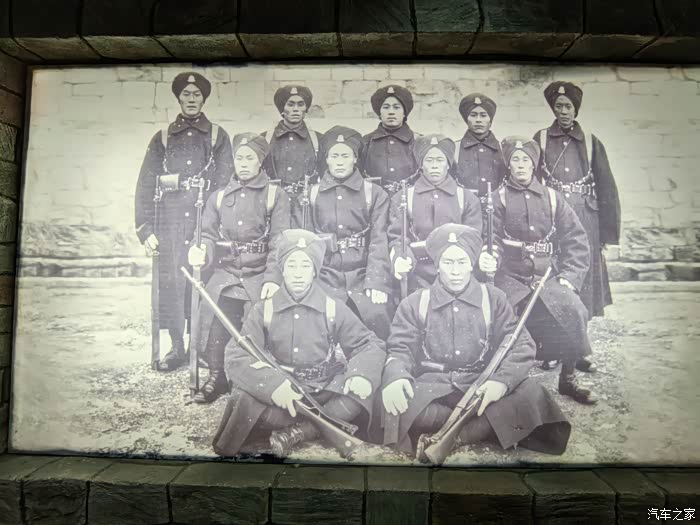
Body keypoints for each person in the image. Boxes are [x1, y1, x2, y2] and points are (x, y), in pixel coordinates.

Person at [380, 223, 571, 457]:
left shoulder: (493, 298)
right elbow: (400, 348)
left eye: (462, 262)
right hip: (433, 387)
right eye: (448, 263)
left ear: (472, 263)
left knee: (532, 392)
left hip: (480, 385)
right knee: (392, 401)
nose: (455, 271)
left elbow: (522, 344)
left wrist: (500, 383)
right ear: (437, 265)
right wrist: (396, 377)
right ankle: (485, 427)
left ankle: (457, 437)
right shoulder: (415, 302)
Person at [212, 229, 386, 457]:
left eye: (305, 266)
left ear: (314, 270)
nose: (297, 273)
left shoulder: (332, 307)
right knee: (242, 398)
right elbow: (236, 355)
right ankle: (316, 427)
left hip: (322, 390)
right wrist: (273, 386)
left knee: (363, 391)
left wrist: (360, 374)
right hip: (284, 395)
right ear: (282, 269)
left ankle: (299, 432)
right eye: (291, 265)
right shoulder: (264, 309)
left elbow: (369, 343)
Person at [479, 136, 598, 405]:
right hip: (510, 277)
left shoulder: (552, 198)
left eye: (526, 160)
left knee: (573, 310)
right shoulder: (496, 199)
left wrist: (569, 277)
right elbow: (490, 239)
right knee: (501, 317)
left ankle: (568, 379)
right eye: (515, 160)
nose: (521, 165)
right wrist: (491, 257)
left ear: (534, 164)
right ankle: (505, 381)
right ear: (508, 165)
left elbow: (577, 241)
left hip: (548, 275)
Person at [134, 71, 233, 371]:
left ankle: (198, 348)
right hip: (170, 223)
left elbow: (225, 183)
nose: (191, 99)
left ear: (203, 99)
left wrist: (217, 225)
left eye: (196, 95)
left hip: (204, 222)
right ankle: (177, 348)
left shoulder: (217, 136)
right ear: (178, 99)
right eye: (186, 95)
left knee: (202, 281)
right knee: (173, 284)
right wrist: (145, 229)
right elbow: (145, 183)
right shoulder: (163, 138)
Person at [187, 132, 290, 404]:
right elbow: (206, 233)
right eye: (239, 158)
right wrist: (201, 250)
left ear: (260, 161)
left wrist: (273, 278)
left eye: (249, 158)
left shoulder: (275, 195)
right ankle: (217, 376)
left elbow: (279, 241)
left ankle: (251, 380)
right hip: (227, 273)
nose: (243, 163)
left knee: (256, 322)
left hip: (259, 274)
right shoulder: (219, 197)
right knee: (213, 310)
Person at [534, 81, 621, 330]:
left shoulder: (591, 142)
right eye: (558, 106)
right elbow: (533, 181)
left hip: (586, 218)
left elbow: (607, 188)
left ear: (576, 109)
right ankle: (555, 334)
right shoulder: (541, 139)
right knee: (555, 270)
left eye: (568, 106)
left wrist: (607, 234)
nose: (563, 111)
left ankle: (582, 334)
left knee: (583, 271)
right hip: (553, 216)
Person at [295, 125, 394, 340]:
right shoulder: (310, 195)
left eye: (345, 156)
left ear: (355, 159)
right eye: (334, 156)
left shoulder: (374, 194)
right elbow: (304, 246)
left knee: (377, 315)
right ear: (327, 159)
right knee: (313, 321)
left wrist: (376, 282)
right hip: (325, 276)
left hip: (362, 274)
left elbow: (379, 240)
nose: (339, 161)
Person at [388, 134, 482, 296]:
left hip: (456, 275)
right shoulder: (404, 197)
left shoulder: (466, 198)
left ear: (448, 164)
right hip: (416, 274)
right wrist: (401, 258)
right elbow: (397, 237)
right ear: (421, 164)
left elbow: (473, 240)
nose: (434, 166)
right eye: (429, 160)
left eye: (440, 160)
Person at [262, 85, 322, 208]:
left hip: (306, 205)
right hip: (273, 204)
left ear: (306, 109)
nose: (296, 109)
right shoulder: (265, 139)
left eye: (300, 104)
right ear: (282, 108)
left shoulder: (318, 139)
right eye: (290, 104)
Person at [361, 84, 418, 194]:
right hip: (374, 199)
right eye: (386, 107)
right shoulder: (366, 142)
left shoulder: (418, 141)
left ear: (404, 113)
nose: (391, 112)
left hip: (408, 198)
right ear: (379, 112)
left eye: (397, 107)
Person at [453, 93, 508, 200]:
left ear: (490, 120)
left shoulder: (503, 148)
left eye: (483, 115)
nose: (478, 120)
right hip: (464, 206)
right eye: (473, 115)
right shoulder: (455, 148)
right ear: (466, 119)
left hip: (496, 207)